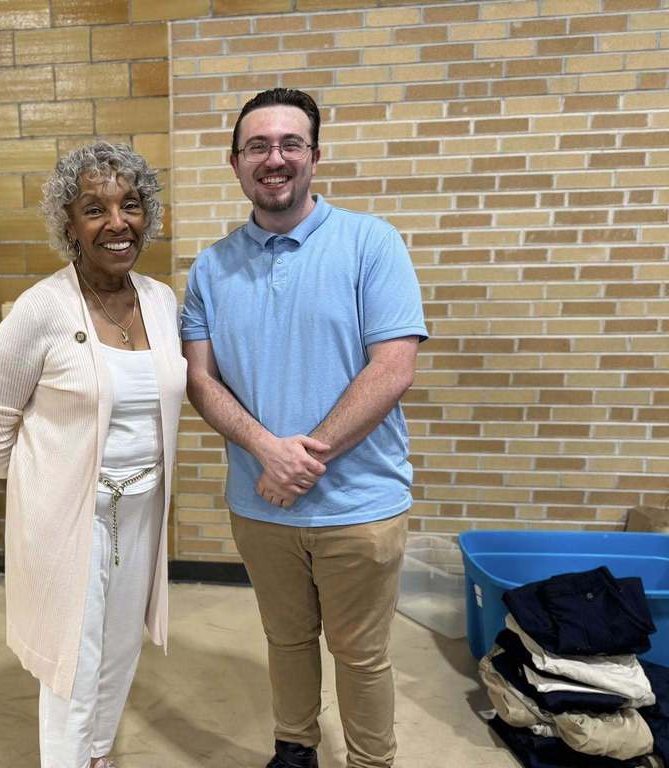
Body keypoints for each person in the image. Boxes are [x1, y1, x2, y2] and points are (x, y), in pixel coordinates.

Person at [180, 88, 428, 768]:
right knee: (285, 638)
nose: (275, 158)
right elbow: (200, 379)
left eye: (291, 143)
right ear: (235, 163)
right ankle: (295, 748)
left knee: (362, 653)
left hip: (360, 504)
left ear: (315, 156)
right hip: (261, 505)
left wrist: (303, 459)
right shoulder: (210, 268)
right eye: (258, 146)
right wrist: (267, 450)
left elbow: (393, 367)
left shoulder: (371, 244)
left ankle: (371, 762)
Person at [0, 141, 185, 768]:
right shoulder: (41, 309)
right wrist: (45, 489)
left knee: (119, 648)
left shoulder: (162, 302)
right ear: (69, 226)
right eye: (95, 209)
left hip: (141, 510)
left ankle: (96, 755)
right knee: (73, 658)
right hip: (70, 518)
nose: (117, 223)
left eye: (132, 205)